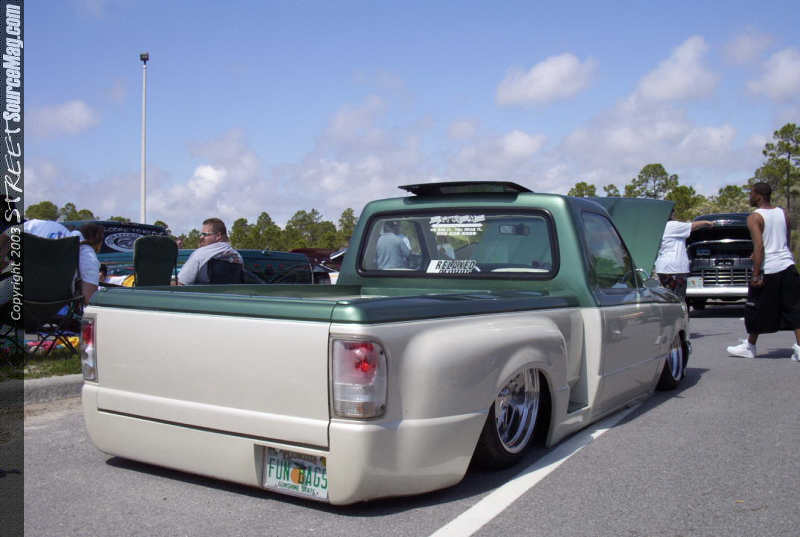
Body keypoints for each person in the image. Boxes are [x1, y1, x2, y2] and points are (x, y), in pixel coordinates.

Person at [726, 182, 800, 361]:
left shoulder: (754, 217)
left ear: (758, 195)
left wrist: (756, 274)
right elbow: (786, 240)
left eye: (751, 193)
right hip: (788, 265)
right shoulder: (782, 213)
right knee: (794, 309)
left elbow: (759, 246)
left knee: (755, 308)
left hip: (770, 269)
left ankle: (749, 347)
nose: (749, 196)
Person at [19, 219, 104, 305]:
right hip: (56, 307)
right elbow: (88, 297)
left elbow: (10, 239)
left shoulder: (34, 225)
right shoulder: (87, 253)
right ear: (97, 243)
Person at [653, 211, 713, 301]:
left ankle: (669, 308)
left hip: (662, 268)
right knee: (678, 298)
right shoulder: (673, 225)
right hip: (675, 268)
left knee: (667, 296)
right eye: (673, 212)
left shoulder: (659, 227)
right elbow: (693, 226)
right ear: (671, 214)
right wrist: (708, 223)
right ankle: (678, 309)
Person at [176, 217, 242, 285]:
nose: (201, 237)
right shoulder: (237, 256)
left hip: (207, 291)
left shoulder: (200, 254)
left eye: (205, 234)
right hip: (233, 291)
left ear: (218, 236)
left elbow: (181, 283)